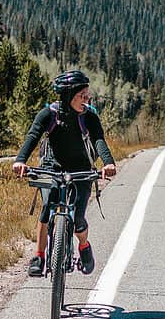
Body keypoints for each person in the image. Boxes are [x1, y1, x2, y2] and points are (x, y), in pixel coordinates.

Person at [13, 70, 117, 277]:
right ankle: (39, 256)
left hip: (82, 168)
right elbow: (33, 135)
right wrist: (20, 160)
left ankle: (84, 246)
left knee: (78, 218)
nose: (86, 100)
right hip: (53, 165)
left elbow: (99, 140)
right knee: (46, 210)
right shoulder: (49, 114)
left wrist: (108, 163)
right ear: (69, 95)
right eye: (82, 95)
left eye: (88, 95)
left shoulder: (89, 116)